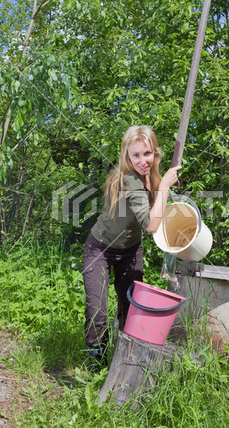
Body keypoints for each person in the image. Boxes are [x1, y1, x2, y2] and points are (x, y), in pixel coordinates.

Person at [82, 125, 181, 365]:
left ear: (155, 153)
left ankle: (124, 362)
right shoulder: (129, 180)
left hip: (131, 251)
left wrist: (165, 187)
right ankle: (96, 364)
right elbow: (150, 224)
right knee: (98, 310)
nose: (142, 160)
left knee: (129, 308)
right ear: (127, 155)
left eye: (146, 154)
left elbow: (161, 212)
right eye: (135, 155)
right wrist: (165, 187)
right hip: (101, 249)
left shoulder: (152, 176)